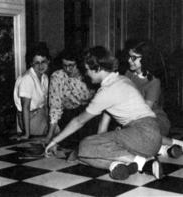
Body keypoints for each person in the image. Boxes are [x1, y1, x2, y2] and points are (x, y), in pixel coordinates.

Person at [45, 47, 163, 180]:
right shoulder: (122, 79)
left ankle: (144, 163)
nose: (86, 75)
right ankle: (118, 165)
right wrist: (94, 146)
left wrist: (54, 141)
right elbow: (104, 124)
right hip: (153, 136)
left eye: (87, 70)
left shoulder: (106, 92)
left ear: (97, 69)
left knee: (84, 146)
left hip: (142, 135)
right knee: (84, 154)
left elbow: (79, 121)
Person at [126, 41, 183, 158]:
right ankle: (164, 149)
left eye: (134, 58)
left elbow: (144, 111)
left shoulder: (153, 82)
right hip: (132, 118)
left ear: (145, 59)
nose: (129, 60)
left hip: (154, 119)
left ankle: (179, 144)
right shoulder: (128, 74)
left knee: (135, 134)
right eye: (129, 56)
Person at [46, 48, 95, 146]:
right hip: (67, 116)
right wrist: (49, 135)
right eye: (65, 65)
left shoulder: (89, 76)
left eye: (71, 65)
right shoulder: (57, 76)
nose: (68, 69)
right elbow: (55, 106)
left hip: (88, 116)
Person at [13, 43, 50, 140]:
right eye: (37, 63)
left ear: (48, 61)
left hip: (40, 114)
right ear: (31, 63)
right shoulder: (27, 79)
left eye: (43, 62)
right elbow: (25, 107)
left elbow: (45, 104)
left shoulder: (45, 77)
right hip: (30, 119)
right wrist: (27, 134)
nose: (41, 66)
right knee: (54, 134)